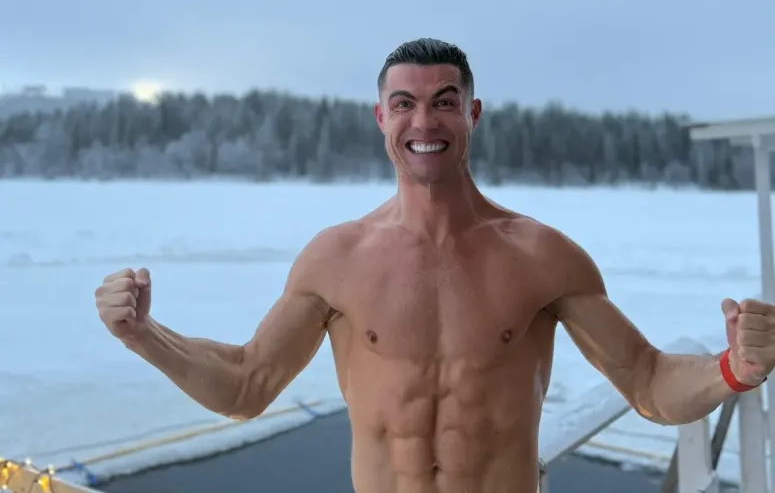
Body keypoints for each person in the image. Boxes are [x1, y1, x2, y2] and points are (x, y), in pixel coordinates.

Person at [95, 38, 775, 493]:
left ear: (471, 113)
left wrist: (735, 369)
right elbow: (246, 385)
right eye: (405, 104)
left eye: (444, 102)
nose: (424, 121)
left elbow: (649, 382)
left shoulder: (540, 256)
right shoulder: (337, 258)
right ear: (381, 118)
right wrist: (144, 335)